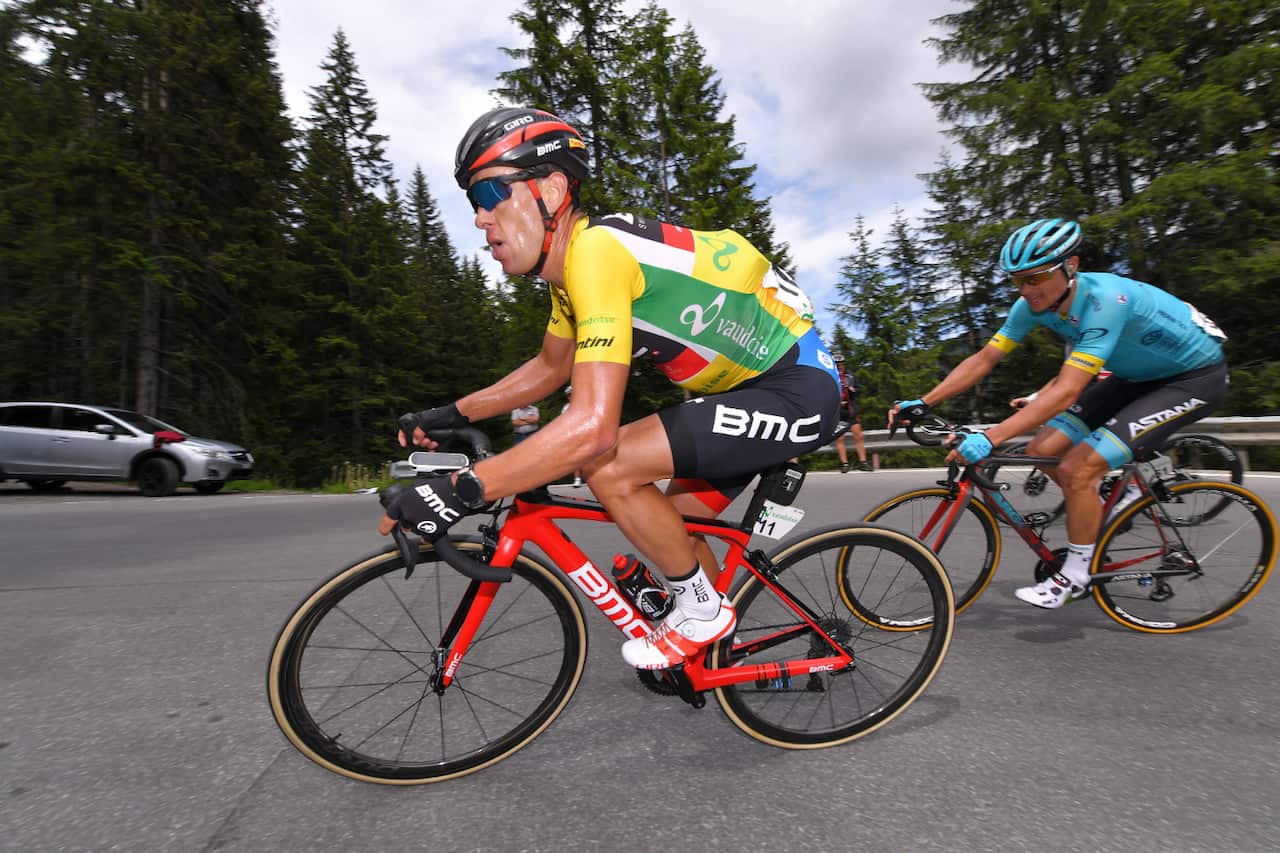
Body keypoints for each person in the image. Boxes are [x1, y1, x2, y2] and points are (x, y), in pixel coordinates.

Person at [379, 107, 842, 669]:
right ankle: (708, 657)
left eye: (492, 194)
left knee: (610, 465)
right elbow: (549, 370)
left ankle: (699, 615)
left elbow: (593, 429)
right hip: (742, 395)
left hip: (796, 388)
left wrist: (461, 489)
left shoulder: (597, 253)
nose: (480, 219)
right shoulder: (572, 275)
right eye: (473, 204)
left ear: (551, 190)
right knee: (677, 540)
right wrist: (447, 413)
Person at [888, 217, 1227, 609]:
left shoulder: (1105, 302)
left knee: (1076, 469)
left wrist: (991, 437)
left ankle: (1077, 575)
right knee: (1041, 449)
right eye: (1017, 281)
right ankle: (1108, 500)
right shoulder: (1030, 306)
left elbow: (1067, 391)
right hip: (1132, 378)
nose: (1026, 290)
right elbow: (985, 358)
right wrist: (925, 401)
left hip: (1191, 379)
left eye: (1035, 278)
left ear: (1071, 266)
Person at [832, 353, 871, 472]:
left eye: (841, 364)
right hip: (837, 412)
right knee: (840, 438)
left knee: (858, 436)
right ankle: (844, 464)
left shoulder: (850, 376)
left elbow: (860, 389)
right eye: (837, 364)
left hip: (851, 410)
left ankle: (863, 462)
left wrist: (853, 390)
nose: (839, 367)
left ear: (844, 364)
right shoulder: (830, 376)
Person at [560, 386, 582, 487]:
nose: (571, 397)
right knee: (576, 457)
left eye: (572, 394)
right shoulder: (565, 408)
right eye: (569, 395)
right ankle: (577, 478)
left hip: (585, 432)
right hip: (572, 434)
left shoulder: (584, 404)